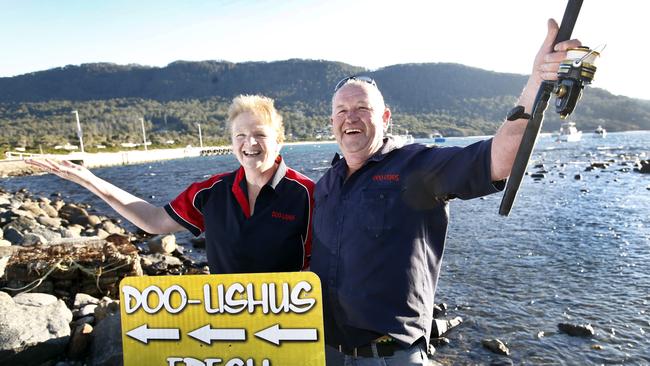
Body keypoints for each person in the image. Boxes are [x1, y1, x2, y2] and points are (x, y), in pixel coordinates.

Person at [311, 20, 581, 365]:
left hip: (389, 356)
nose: (351, 117)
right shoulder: (326, 184)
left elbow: (498, 160)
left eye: (362, 109)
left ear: (386, 118)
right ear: (333, 121)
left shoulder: (416, 166)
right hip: (326, 352)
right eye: (342, 111)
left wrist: (536, 84)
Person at [27, 95, 314, 274]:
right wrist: (90, 180)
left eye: (259, 134)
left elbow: (326, 264)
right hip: (232, 319)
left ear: (279, 141)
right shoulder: (211, 193)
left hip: (290, 324)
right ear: (231, 143)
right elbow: (153, 220)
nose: (249, 143)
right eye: (240, 135)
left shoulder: (307, 194)